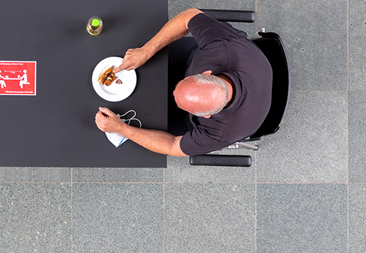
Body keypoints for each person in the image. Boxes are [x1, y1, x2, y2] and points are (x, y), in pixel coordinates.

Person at [94, 8, 272, 157]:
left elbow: (173, 145)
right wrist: (146, 51)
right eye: (181, 86)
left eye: (179, 102)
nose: (172, 92)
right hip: (187, 60)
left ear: (206, 116)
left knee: (146, 119)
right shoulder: (225, 47)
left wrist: (122, 129)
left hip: (187, 120)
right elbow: (189, 16)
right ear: (207, 73)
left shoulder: (221, 133)